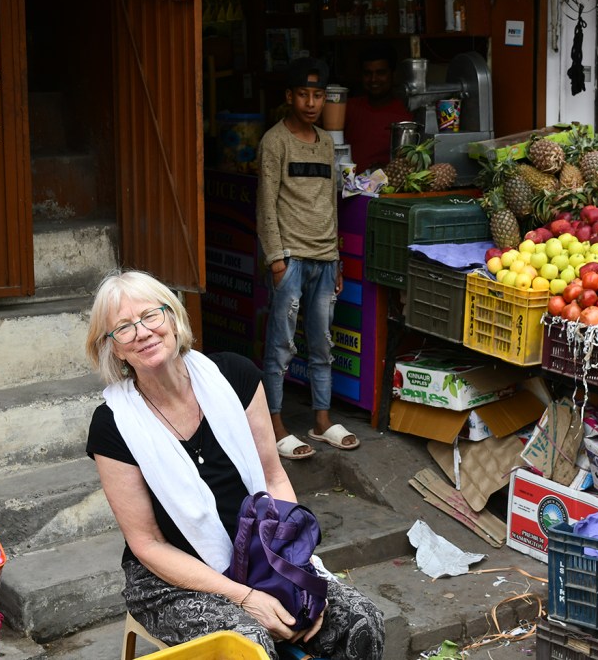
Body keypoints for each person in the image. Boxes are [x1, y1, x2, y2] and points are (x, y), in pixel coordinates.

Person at [84, 269, 385, 659]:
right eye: (123, 328)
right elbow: (148, 544)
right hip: (172, 580)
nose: (142, 332)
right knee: (248, 645)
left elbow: (274, 479)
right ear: (115, 349)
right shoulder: (113, 424)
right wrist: (245, 597)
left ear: (173, 318)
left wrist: (298, 567)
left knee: (361, 618)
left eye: (150, 316)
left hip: (261, 551)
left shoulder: (233, 375)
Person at [257, 56, 360, 460]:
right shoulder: (274, 141)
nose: (312, 102)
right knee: (281, 347)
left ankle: (321, 421)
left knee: (322, 344)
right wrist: (276, 260)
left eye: (318, 95)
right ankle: (276, 424)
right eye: (304, 94)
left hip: (323, 259)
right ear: (290, 97)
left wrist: (336, 257)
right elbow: (266, 202)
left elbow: (330, 203)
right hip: (291, 259)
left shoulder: (326, 142)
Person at [344, 42, 413, 174]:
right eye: (367, 73)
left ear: (393, 74)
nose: (373, 79)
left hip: (390, 190)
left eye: (381, 73)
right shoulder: (348, 108)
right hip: (349, 189)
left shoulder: (406, 115)